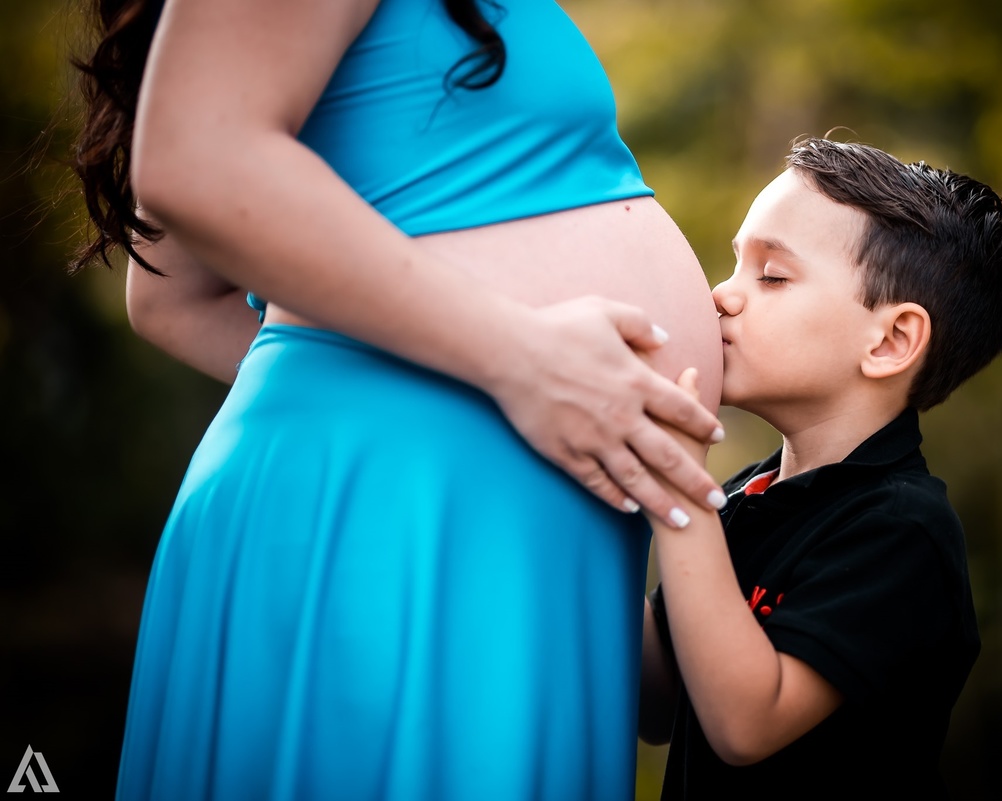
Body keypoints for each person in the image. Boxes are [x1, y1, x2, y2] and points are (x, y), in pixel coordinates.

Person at [70, 0, 730, 798]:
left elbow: (168, 295)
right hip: (396, 517)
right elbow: (192, 159)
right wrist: (509, 365)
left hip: (495, 523)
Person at [638, 137, 1002, 798]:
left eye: (772, 276)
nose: (721, 296)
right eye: (735, 265)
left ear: (890, 340)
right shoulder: (743, 500)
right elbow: (655, 703)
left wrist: (678, 488)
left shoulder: (902, 530)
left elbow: (744, 724)